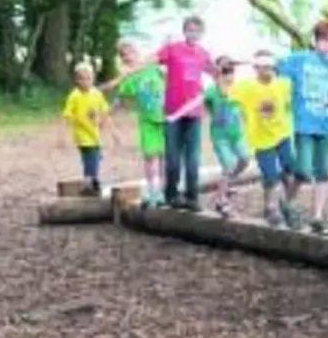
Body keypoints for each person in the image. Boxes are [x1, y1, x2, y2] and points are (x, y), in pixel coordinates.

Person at [274, 20, 328, 235]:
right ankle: (286, 201)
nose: (327, 45)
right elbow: (274, 65)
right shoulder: (300, 60)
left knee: (324, 172)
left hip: (327, 125)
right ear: (315, 41)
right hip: (305, 125)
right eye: (323, 40)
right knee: (303, 171)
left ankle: (317, 217)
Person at [169, 56, 250, 218]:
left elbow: (247, 108)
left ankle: (226, 184)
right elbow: (194, 103)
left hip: (237, 135)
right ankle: (221, 201)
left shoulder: (238, 89)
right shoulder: (212, 91)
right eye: (224, 72)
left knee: (245, 160)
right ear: (216, 75)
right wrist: (175, 115)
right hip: (221, 138)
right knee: (229, 165)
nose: (228, 75)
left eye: (230, 71)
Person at [157, 16, 221, 210]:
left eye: (197, 31)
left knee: (193, 159)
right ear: (184, 31)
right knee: (173, 158)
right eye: (190, 30)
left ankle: (192, 197)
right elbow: (153, 60)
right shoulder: (173, 49)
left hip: (194, 112)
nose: (193, 34)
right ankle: (171, 194)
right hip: (173, 112)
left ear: (202, 33)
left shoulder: (203, 53)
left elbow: (216, 72)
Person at [230, 50, 297, 226]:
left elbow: (300, 82)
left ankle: (287, 204)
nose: (267, 71)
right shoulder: (245, 87)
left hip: (282, 135)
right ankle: (270, 208)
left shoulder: (284, 84)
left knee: (290, 172)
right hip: (261, 140)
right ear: (256, 68)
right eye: (263, 67)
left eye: (270, 67)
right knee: (270, 176)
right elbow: (224, 84)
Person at [106, 41, 169, 208]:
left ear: (137, 53)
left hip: (165, 118)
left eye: (130, 53)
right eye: (123, 56)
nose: (128, 57)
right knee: (150, 157)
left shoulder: (152, 68)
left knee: (164, 157)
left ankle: (165, 190)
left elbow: (168, 80)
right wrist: (108, 111)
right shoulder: (129, 79)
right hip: (147, 121)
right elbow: (120, 99)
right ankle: (153, 190)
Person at [60, 62, 113, 193]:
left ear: (93, 78)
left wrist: (104, 124)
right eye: (82, 79)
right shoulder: (74, 96)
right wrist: (61, 136)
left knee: (95, 157)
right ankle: (91, 183)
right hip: (82, 135)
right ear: (77, 80)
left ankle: (91, 181)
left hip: (94, 133)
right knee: (91, 158)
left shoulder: (96, 94)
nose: (85, 82)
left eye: (88, 78)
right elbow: (67, 115)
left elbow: (104, 110)